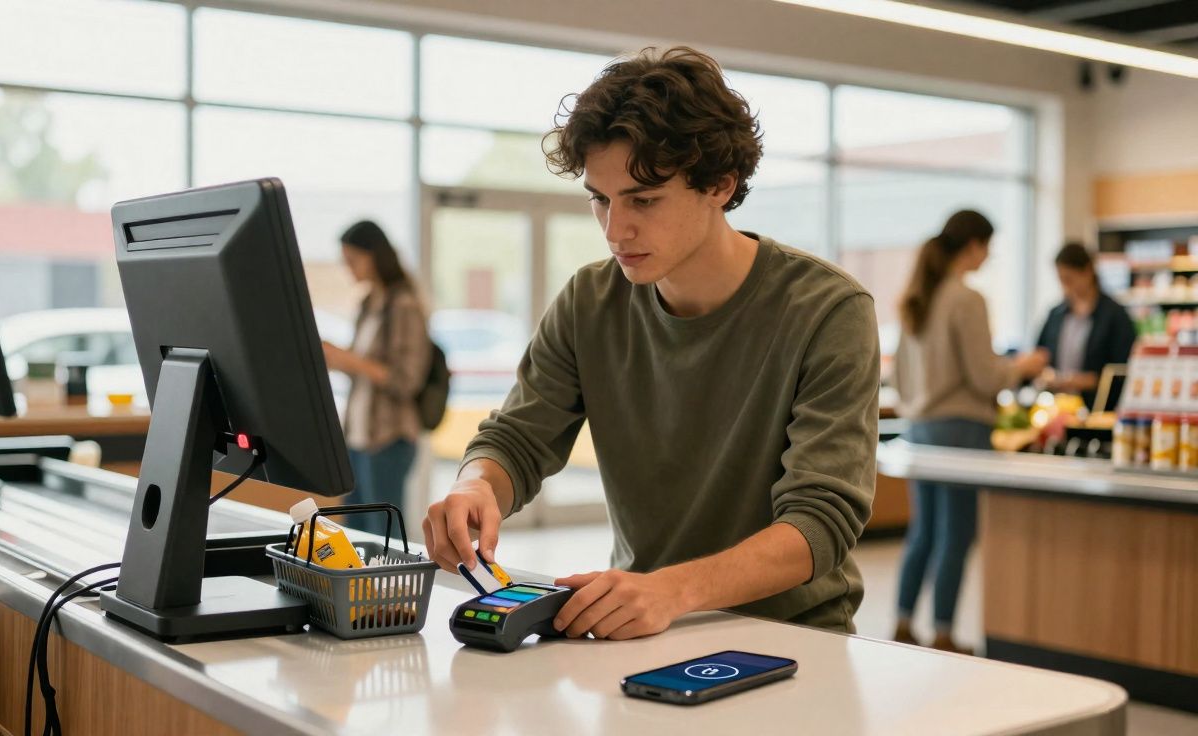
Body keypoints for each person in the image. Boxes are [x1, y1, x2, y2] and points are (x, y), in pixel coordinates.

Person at [421, 46, 881, 638]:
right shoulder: (589, 302)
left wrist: (673, 590)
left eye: (643, 199)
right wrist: (476, 485)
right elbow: (518, 440)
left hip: (794, 637)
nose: (615, 229)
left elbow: (820, 522)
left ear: (720, 185)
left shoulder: (827, 310)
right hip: (641, 625)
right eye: (600, 199)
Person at [890, 210, 1048, 653]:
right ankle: (943, 633)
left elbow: (899, 377)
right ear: (974, 245)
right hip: (962, 431)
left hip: (920, 431)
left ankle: (902, 622)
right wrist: (1022, 367)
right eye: (987, 247)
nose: (988, 257)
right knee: (956, 534)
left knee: (923, 532)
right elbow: (984, 376)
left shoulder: (918, 296)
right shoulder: (966, 298)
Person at [323, 221, 431, 535]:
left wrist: (351, 360)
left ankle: (393, 575)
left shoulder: (404, 304)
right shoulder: (369, 303)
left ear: (372, 256)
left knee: (383, 536)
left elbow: (407, 379)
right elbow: (363, 369)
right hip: (357, 436)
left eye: (352, 260)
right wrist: (336, 358)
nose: (348, 268)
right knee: (355, 532)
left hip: (389, 437)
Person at [1035, 242, 1136, 412]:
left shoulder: (1115, 316)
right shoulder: (1056, 314)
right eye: (1061, 280)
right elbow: (1041, 352)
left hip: (1098, 409)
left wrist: (1082, 380)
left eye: (1069, 279)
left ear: (1088, 271)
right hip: (1056, 408)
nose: (1065, 286)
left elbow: (1123, 368)